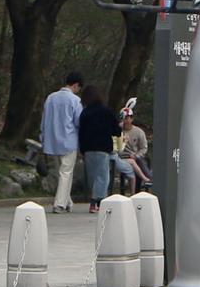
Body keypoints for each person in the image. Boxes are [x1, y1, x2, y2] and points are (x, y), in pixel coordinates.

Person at [40, 70, 83, 213]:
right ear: (76, 85)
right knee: (66, 172)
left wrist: (43, 137)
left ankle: (67, 201)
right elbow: (78, 121)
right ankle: (59, 203)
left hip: (52, 141)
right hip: (69, 140)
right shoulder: (75, 100)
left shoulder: (50, 98)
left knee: (61, 173)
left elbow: (44, 119)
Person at [77, 84, 118, 212]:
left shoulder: (85, 113)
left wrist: (82, 149)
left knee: (92, 176)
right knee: (103, 176)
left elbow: (81, 133)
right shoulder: (107, 112)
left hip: (88, 149)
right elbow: (116, 130)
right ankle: (98, 201)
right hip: (103, 148)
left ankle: (93, 200)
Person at [119, 105, 152, 191]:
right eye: (124, 118)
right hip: (122, 156)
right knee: (135, 162)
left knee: (140, 160)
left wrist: (136, 155)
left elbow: (144, 148)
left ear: (132, 119)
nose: (126, 120)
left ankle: (148, 178)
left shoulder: (139, 132)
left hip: (134, 155)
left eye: (127, 118)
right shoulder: (118, 130)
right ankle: (148, 178)